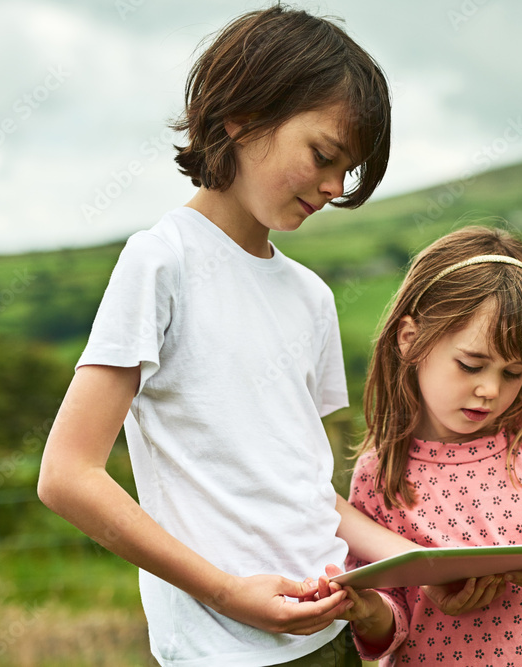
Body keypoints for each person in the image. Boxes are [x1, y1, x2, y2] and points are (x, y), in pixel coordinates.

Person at [36, 7, 492, 666]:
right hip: (220, 649)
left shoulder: (311, 298)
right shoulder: (161, 262)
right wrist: (226, 592)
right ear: (243, 116)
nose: (336, 187)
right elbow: (66, 475)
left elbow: (305, 491)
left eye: (350, 170)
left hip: (331, 634)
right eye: (324, 155)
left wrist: (426, 564)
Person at [325, 226, 522, 665]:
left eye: (512, 373)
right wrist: (365, 612)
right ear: (410, 339)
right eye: (471, 365)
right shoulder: (379, 474)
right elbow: (389, 611)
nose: (489, 390)